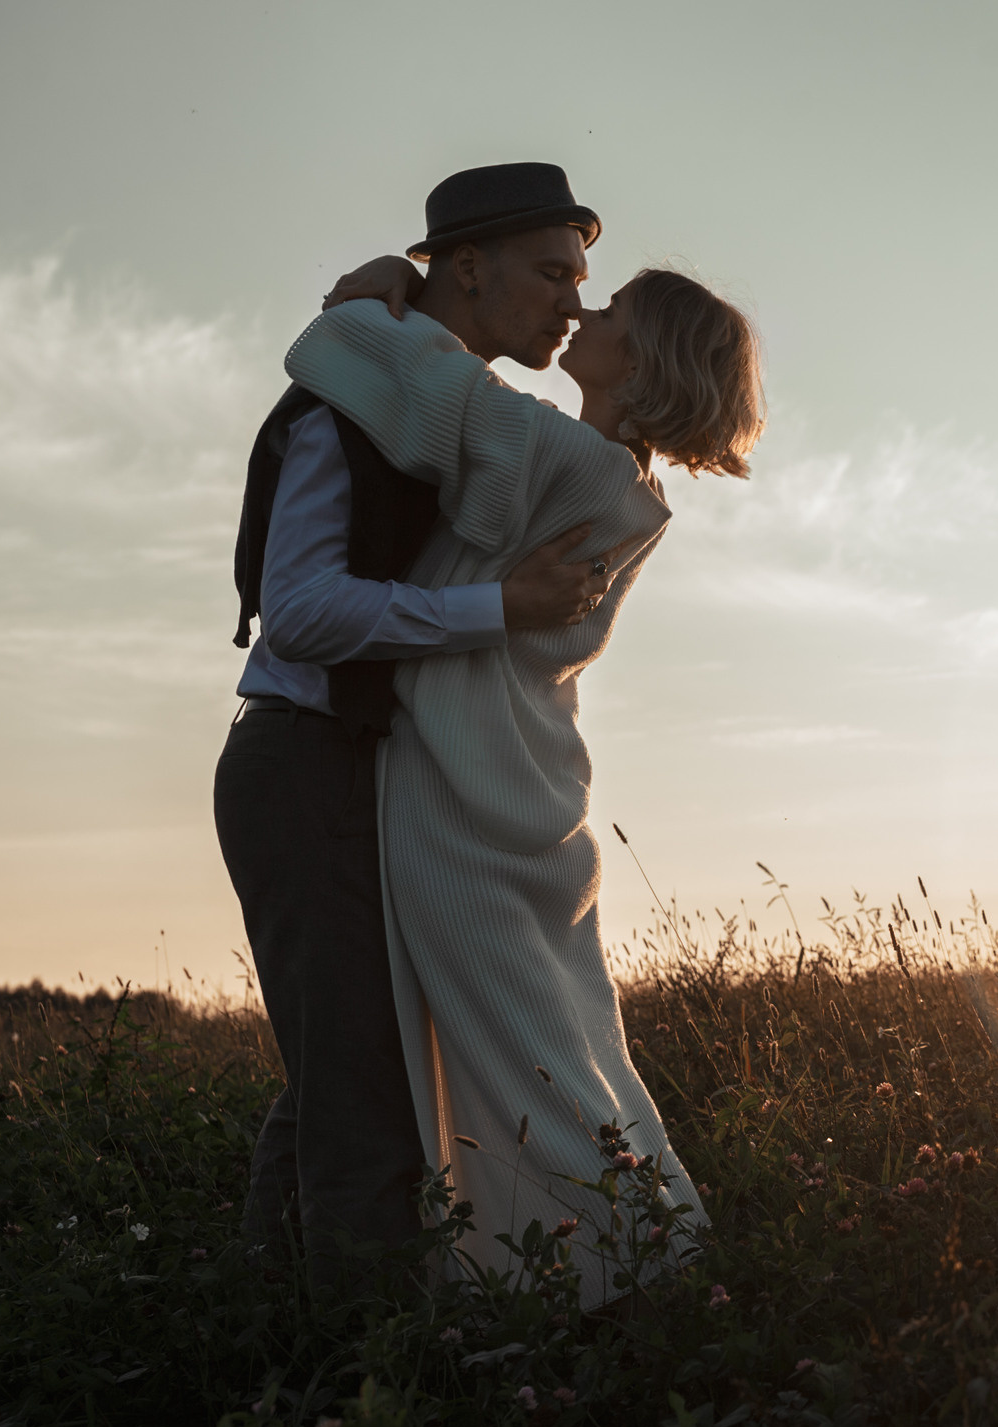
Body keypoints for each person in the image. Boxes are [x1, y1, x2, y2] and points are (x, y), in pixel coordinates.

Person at [291, 203, 764, 1307]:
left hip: (465, 793)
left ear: (638, 362)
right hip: (530, 788)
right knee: (560, 1048)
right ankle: (633, 1272)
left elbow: (393, 373)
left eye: (605, 306)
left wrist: (362, 296)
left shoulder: (554, 455)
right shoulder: (630, 493)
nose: (579, 309)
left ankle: (608, 1295)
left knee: (516, 1067)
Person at [219, 162, 621, 1298]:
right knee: (361, 1086)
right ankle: (366, 1396)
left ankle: (261, 1334)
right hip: (303, 762)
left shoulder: (435, 397)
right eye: (551, 273)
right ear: (469, 267)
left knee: (341, 1071)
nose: (571, 302)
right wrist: (500, 608)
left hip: (363, 771)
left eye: (581, 280)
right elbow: (299, 612)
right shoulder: (352, 403)